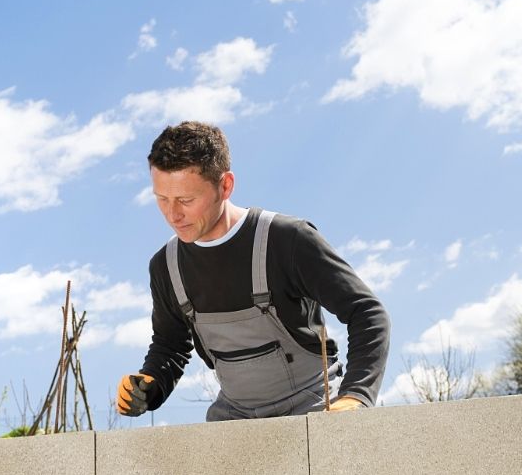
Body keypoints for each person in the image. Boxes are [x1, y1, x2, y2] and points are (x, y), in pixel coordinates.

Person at [116, 121, 389, 421]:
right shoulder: (166, 266)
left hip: (313, 407)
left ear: (225, 185)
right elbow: (170, 346)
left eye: (186, 200)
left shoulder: (287, 240)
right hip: (234, 415)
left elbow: (367, 312)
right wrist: (149, 385)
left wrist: (356, 394)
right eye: (162, 199)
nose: (173, 214)